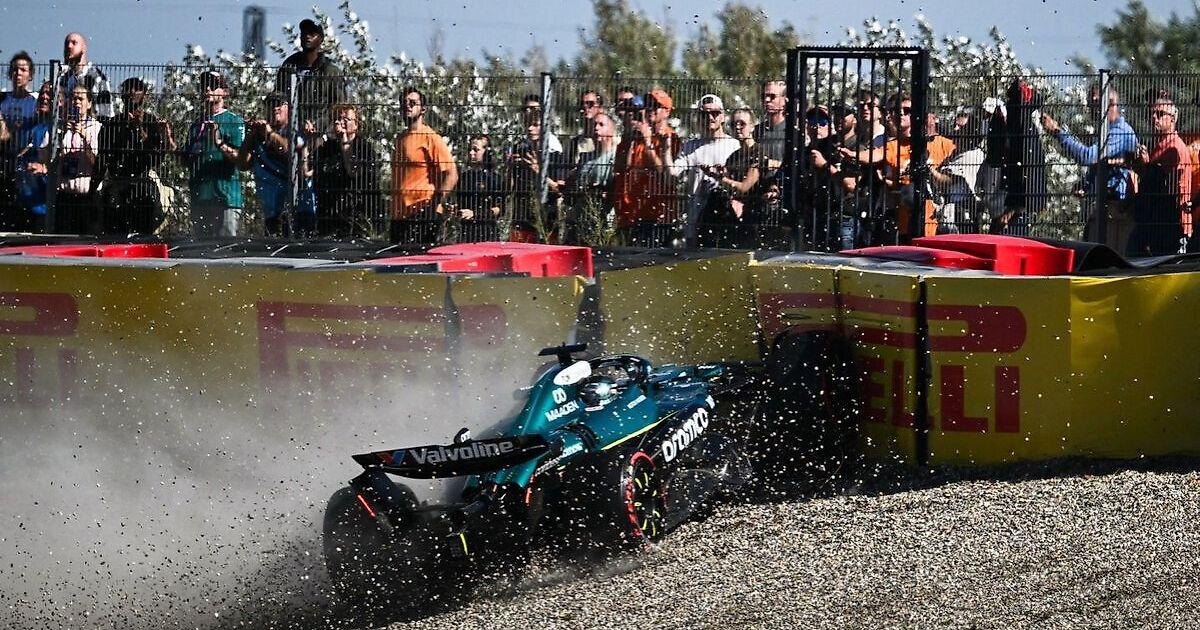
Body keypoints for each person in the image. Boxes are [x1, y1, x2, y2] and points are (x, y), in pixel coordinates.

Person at [1041, 85, 1138, 250]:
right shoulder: (1107, 131)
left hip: (1115, 209)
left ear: (1110, 103)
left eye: (1094, 102)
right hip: (1105, 206)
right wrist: (1087, 185)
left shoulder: (1120, 132)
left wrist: (1058, 131)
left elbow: (1090, 157)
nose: (1090, 108)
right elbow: (1102, 162)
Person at [99, 77, 176, 235]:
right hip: (117, 184)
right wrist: (93, 190)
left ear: (145, 95)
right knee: (114, 232)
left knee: (144, 230)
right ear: (122, 95)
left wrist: (141, 131)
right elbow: (102, 160)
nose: (132, 92)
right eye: (128, 88)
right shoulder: (112, 124)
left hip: (143, 184)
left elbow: (156, 159)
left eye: (137, 88)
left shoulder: (152, 122)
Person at [237, 92, 315, 237]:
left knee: (300, 247)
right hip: (271, 210)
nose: (275, 108)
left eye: (279, 104)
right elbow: (242, 165)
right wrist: (250, 135)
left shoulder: (297, 130)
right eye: (271, 105)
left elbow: (290, 150)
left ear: (289, 109)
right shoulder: (258, 135)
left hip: (298, 207)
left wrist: (270, 133)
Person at [612, 89, 680, 246]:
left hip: (657, 216)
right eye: (647, 105)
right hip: (631, 214)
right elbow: (620, 169)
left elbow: (664, 173)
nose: (650, 109)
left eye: (655, 106)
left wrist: (648, 142)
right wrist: (630, 137)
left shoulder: (671, 138)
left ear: (667, 111)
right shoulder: (636, 136)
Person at [390, 87, 457, 244]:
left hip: (423, 214)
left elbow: (452, 173)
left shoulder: (431, 138)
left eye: (413, 103)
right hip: (399, 216)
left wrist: (435, 204)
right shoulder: (400, 139)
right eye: (404, 103)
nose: (407, 106)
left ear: (423, 109)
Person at [672, 94, 740, 246]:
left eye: (715, 113)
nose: (710, 117)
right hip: (696, 218)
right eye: (704, 114)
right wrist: (664, 151)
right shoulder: (690, 146)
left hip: (726, 216)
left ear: (722, 116)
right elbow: (673, 172)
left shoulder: (734, 146)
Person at [183, 70, 244, 237]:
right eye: (204, 85)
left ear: (225, 92)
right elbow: (187, 160)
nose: (208, 89)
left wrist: (219, 142)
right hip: (200, 197)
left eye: (213, 85)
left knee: (225, 247)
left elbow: (241, 159)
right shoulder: (196, 125)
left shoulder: (234, 121)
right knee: (201, 248)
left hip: (225, 198)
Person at [1129, 96, 1192, 256]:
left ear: (1173, 119)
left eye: (1160, 114)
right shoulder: (1161, 145)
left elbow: (1166, 188)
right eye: (1152, 114)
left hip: (1169, 223)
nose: (1154, 118)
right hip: (1155, 220)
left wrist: (1148, 167)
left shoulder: (1174, 148)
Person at [312, 103, 381, 238]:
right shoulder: (327, 148)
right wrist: (310, 141)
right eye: (338, 119)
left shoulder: (364, 147)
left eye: (346, 119)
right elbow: (307, 172)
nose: (340, 122)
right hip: (329, 216)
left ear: (356, 125)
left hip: (356, 216)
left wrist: (344, 140)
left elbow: (353, 171)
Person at [700, 108, 766, 248]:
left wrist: (720, 178)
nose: (737, 127)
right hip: (732, 213)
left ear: (752, 126)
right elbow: (729, 185)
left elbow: (745, 187)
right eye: (734, 124)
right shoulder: (734, 156)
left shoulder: (758, 152)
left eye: (742, 123)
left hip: (752, 215)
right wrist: (716, 173)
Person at [45, 85, 102, 234]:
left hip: (86, 196)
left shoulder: (97, 128)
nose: (76, 102)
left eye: (80, 99)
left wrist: (84, 137)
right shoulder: (59, 126)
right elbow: (48, 158)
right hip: (64, 195)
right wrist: (62, 134)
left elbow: (96, 163)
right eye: (73, 98)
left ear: (89, 103)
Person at [276, 18, 345, 133]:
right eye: (304, 33)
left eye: (312, 34)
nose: (307, 37)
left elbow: (338, 107)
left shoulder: (331, 72)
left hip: (319, 134)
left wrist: (318, 125)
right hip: (288, 131)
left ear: (321, 39)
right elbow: (277, 98)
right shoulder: (288, 67)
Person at [506, 106, 563, 242]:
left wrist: (538, 171)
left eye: (535, 125)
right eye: (528, 124)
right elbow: (509, 187)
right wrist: (509, 167)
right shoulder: (520, 151)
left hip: (546, 219)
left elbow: (558, 189)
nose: (530, 129)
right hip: (521, 217)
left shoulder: (555, 156)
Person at [564, 111, 619, 243]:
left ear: (612, 130)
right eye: (594, 124)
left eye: (601, 125)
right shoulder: (585, 158)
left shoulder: (616, 157)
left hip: (604, 218)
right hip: (580, 218)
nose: (596, 128)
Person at [1, 52, 38, 229]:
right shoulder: (2, 100)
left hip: (24, 165)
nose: (18, 73)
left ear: (30, 75)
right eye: (15, 69)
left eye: (23, 70)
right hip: (3, 162)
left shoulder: (34, 104)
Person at [16, 82, 54, 231]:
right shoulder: (31, 125)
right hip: (24, 199)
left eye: (49, 94)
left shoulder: (57, 128)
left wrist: (44, 167)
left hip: (43, 203)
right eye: (42, 93)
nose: (44, 97)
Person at [454, 134, 503, 242]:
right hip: (465, 232)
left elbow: (499, 209)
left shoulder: (494, 178)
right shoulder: (463, 177)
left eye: (476, 150)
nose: (471, 153)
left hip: (487, 233)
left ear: (487, 152)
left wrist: (475, 214)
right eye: (470, 150)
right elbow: (459, 203)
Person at [59, 32, 113, 120]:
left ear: (84, 48)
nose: (69, 46)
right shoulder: (63, 79)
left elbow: (105, 113)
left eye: (74, 43)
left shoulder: (97, 78)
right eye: (66, 43)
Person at [566, 90, 603, 167]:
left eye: (590, 104)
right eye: (581, 104)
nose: (585, 107)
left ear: (600, 108)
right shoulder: (575, 142)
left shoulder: (608, 139)